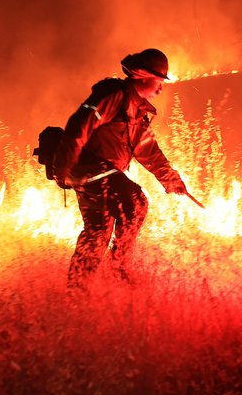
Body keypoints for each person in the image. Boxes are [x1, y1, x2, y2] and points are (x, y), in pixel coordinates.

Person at [53, 48, 188, 286]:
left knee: (98, 233)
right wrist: (63, 168)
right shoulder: (114, 94)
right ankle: (119, 268)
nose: (160, 88)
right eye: (159, 81)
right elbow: (79, 124)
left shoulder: (137, 113)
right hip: (88, 166)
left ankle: (76, 293)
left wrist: (171, 180)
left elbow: (149, 152)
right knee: (136, 202)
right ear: (144, 76)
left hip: (95, 174)